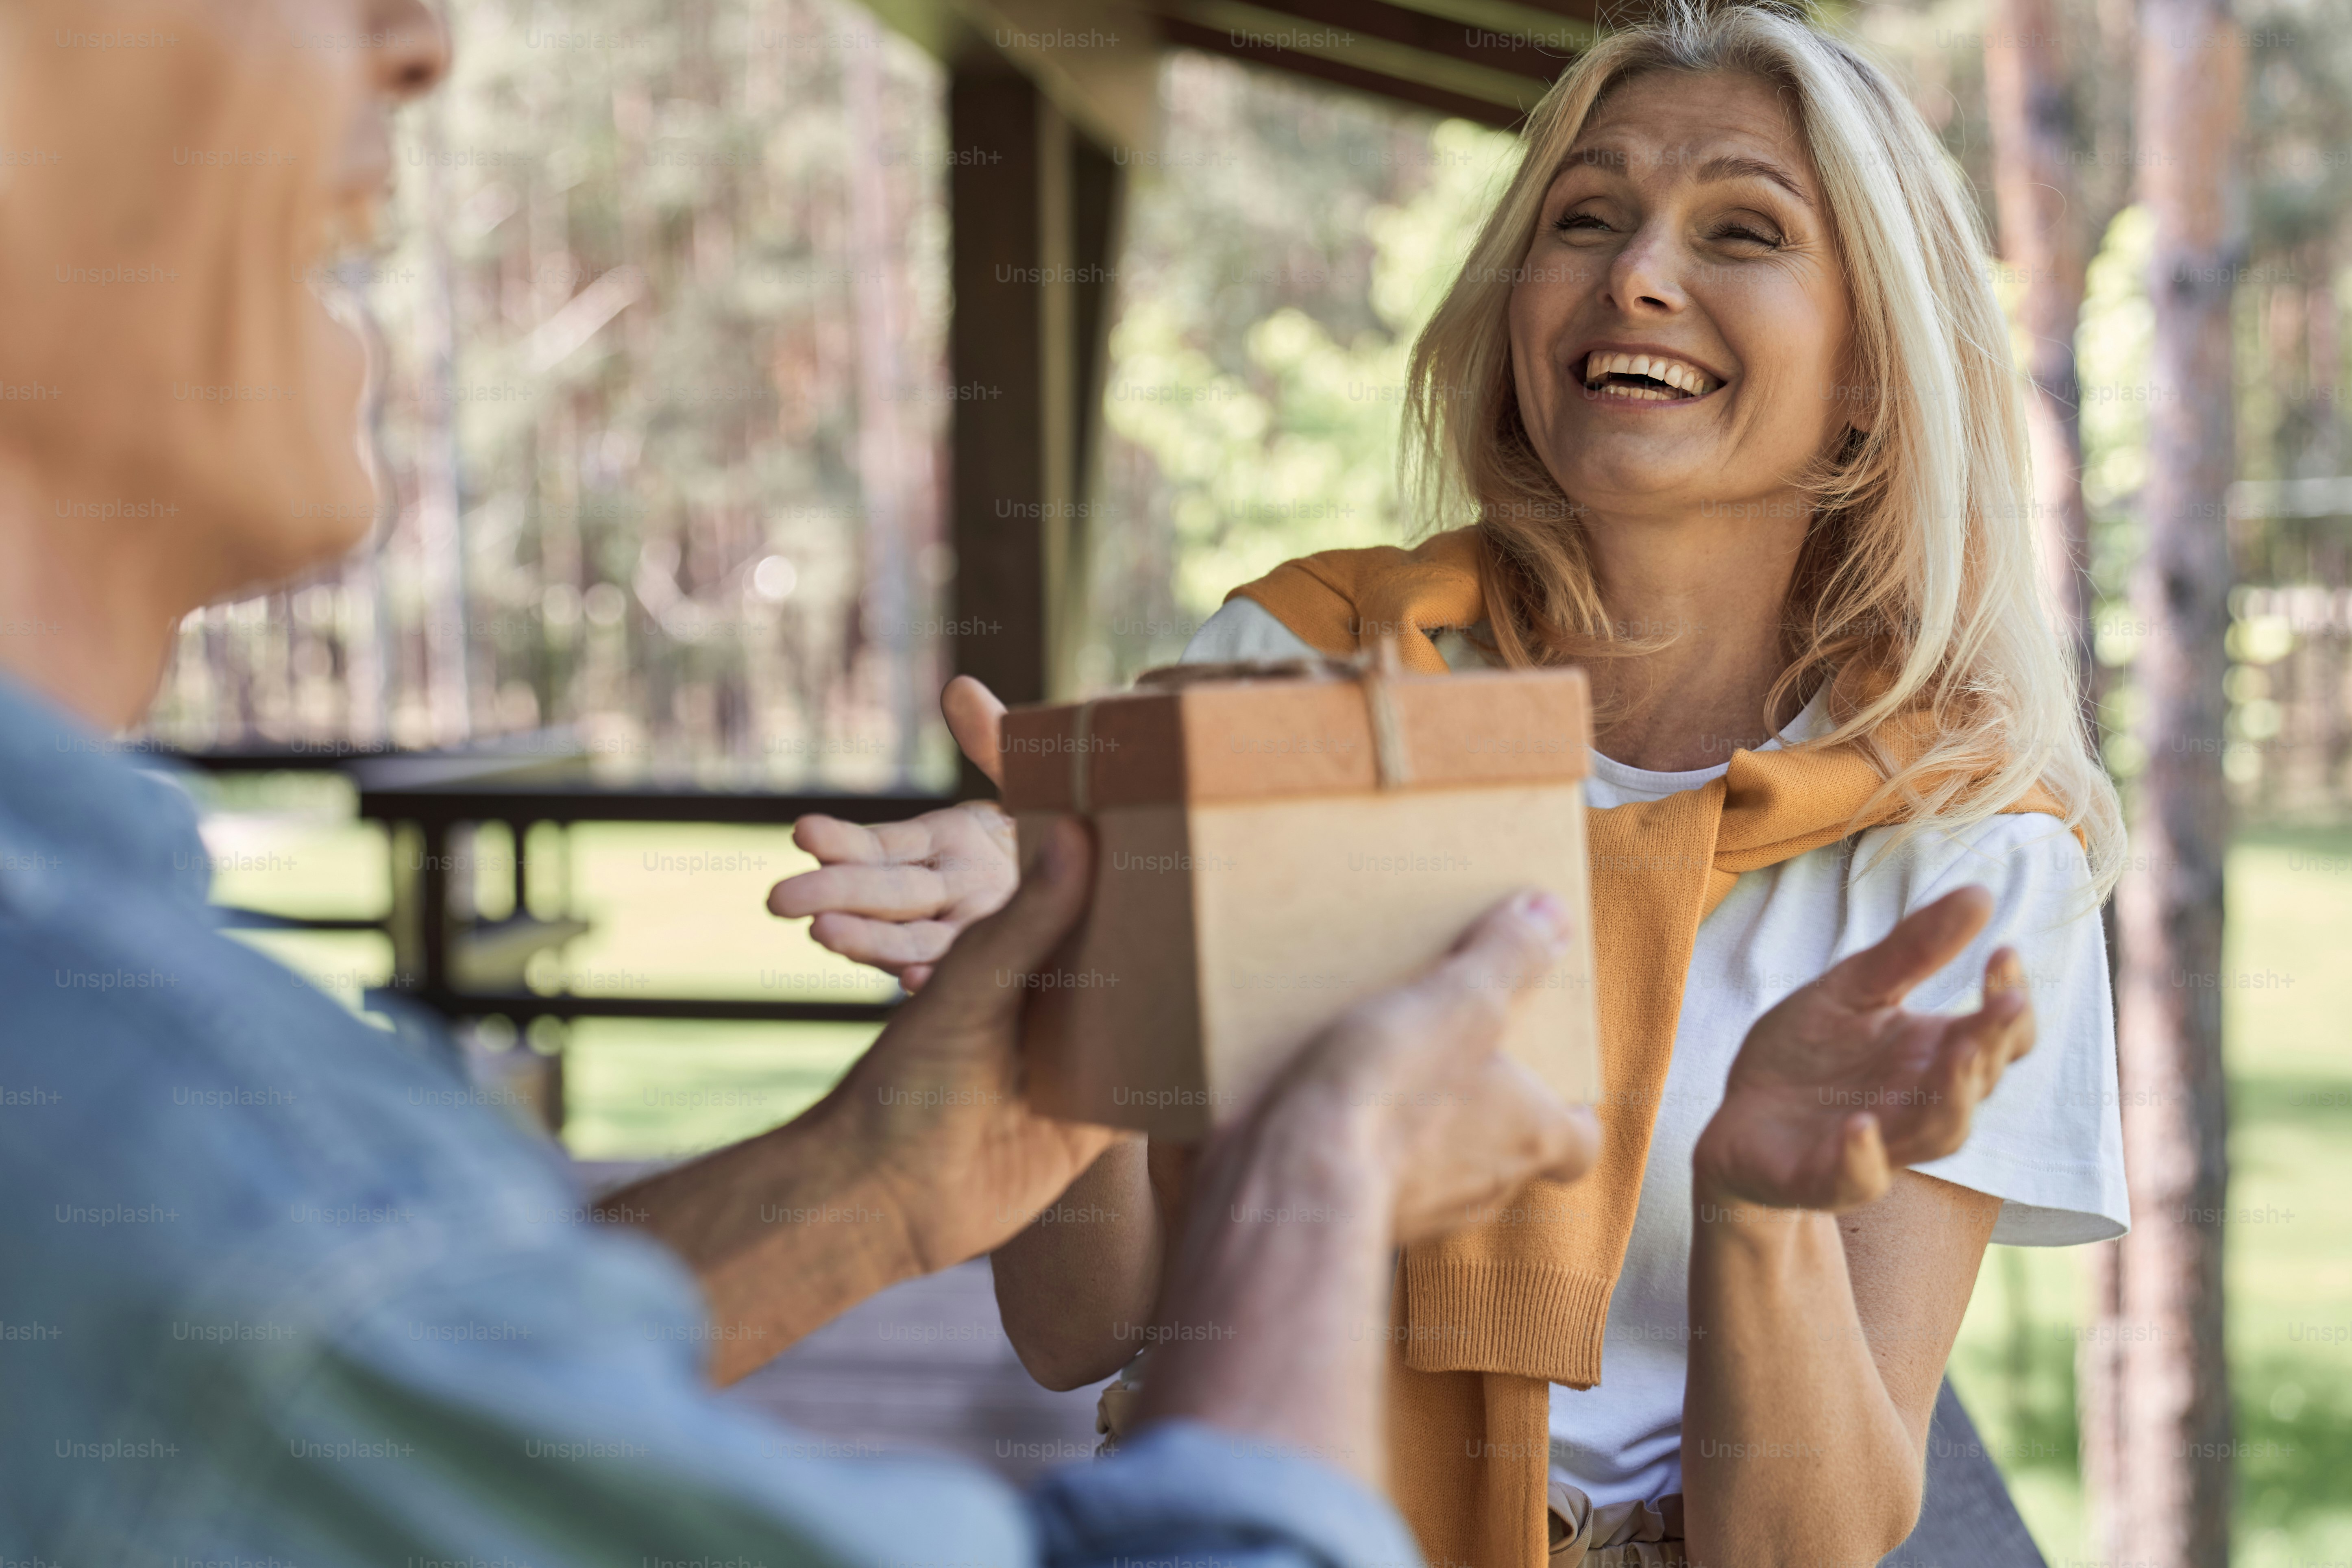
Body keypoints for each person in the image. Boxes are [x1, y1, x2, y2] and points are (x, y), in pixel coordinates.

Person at [772, 7, 2128, 1567]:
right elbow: (1080, 1325)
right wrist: (1062, 973)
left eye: (1743, 229)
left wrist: (1765, 1216)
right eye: (1587, 217)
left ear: (1874, 368)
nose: (1637, 273)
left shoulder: (1962, 847)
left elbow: (1802, 1544)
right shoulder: (1291, 669)